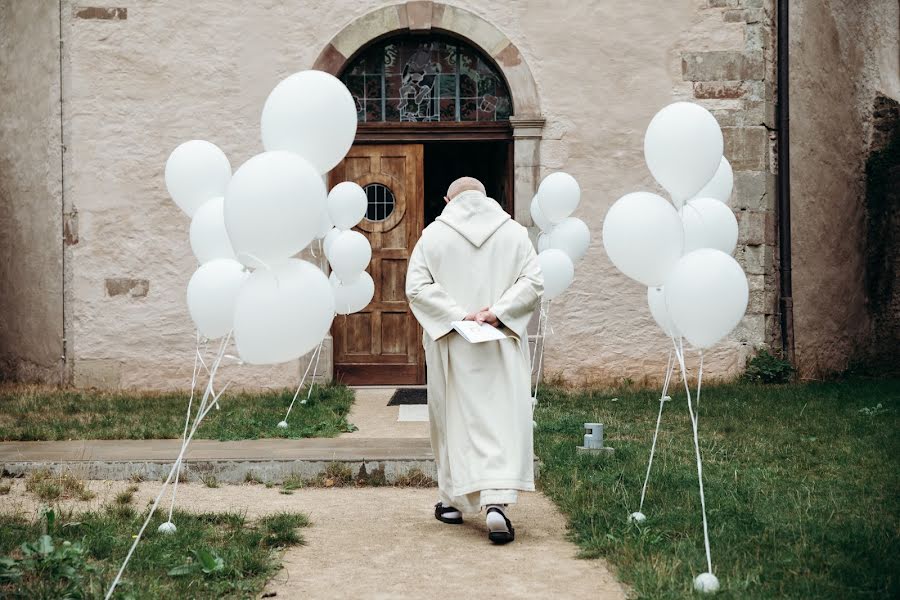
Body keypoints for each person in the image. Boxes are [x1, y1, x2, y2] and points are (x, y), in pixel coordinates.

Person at [406, 176, 544, 544]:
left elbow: (416, 287)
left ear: (447, 199)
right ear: (487, 198)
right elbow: (533, 282)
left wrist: (459, 314)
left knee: (453, 418)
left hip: (453, 343)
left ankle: (451, 502)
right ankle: (497, 504)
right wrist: (497, 312)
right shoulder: (514, 233)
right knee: (500, 419)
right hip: (500, 341)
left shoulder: (433, 236)